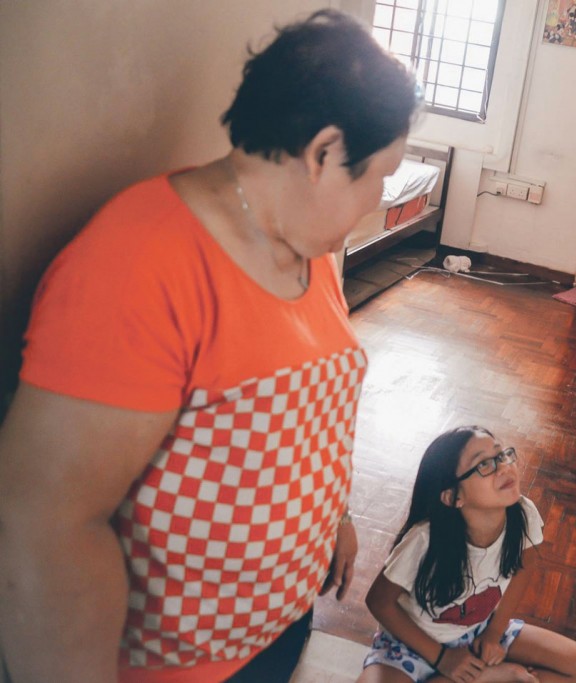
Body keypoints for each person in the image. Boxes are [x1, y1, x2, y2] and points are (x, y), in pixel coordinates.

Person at [0, 9, 419, 683]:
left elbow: (306, 410)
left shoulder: (306, 248)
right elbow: (48, 528)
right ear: (322, 153)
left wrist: (330, 516)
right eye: (379, 176)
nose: (377, 200)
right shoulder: (138, 262)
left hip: (277, 630)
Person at [358, 426, 576, 683]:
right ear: (453, 497)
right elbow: (378, 602)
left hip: (477, 633)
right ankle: (496, 677)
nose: (503, 467)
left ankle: (483, 676)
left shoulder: (523, 514)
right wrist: (443, 659)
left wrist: (494, 633)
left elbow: (524, 569)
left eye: (501, 456)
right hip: (411, 644)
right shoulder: (424, 539)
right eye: (484, 464)